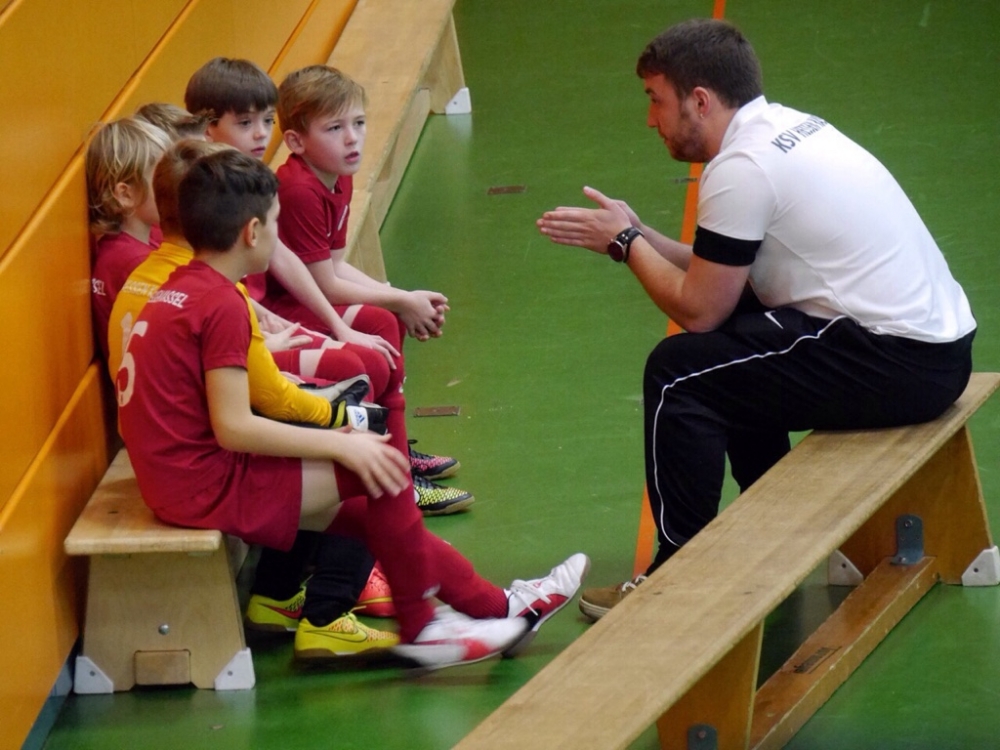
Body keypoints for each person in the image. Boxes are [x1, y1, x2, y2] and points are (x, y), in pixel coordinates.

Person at [536, 18, 976, 620]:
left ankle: (677, 575)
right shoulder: (788, 128)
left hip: (898, 362)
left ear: (699, 101)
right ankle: (773, 531)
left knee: (679, 375)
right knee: (729, 346)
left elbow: (698, 309)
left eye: (655, 100)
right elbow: (721, 273)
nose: (650, 120)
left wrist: (626, 244)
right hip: (935, 348)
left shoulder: (742, 167)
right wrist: (639, 234)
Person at [115, 147, 590, 669]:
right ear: (252, 232)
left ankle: (502, 608)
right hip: (201, 484)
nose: (278, 234)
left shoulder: (181, 286)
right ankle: (422, 627)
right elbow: (234, 427)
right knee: (380, 467)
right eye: (275, 223)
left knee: (369, 514)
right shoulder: (221, 302)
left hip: (173, 475)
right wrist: (340, 444)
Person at [109, 138, 396, 659]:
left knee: (360, 446)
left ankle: (292, 594)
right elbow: (259, 408)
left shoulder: (165, 279)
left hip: (168, 464)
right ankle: (335, 611)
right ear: (249, 228)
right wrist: (339, 425)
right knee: (372, 453)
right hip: (196, 476)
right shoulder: (213, 295)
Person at [185, 57, 470, 513]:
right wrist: (363, 316)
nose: (260, 134)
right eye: (245, 123)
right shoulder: (262, 189)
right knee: (364, 357)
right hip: (265, 320)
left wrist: (396, 298)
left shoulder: (311, 176)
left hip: (269, 315)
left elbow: (317, 264)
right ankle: (388, 470)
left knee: (382, 322)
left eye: (266, 120)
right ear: (206, 128)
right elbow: (310, 279)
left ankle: (395, 452)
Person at [86, 117, 171, 360]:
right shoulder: (132, 262)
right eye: (162, 179)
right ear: (125, 194)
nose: (175, 187)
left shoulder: (141, 242)